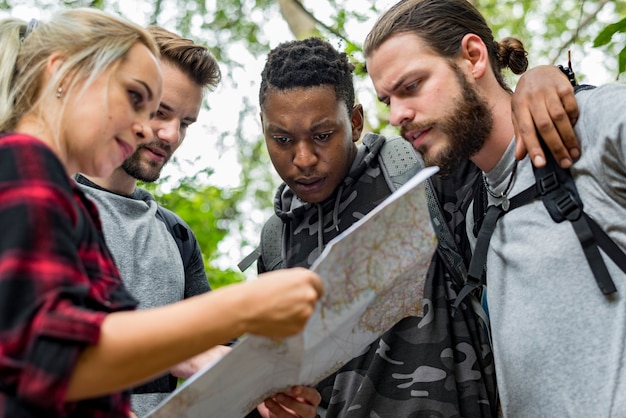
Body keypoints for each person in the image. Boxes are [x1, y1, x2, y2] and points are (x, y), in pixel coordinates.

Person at [0, 9, 323, 418]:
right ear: (62, 74)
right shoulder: (20, 165)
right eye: (139, 101)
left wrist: (256, 383)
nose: (151, 130)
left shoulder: (86, 211)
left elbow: (87, 365)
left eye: (184, 122)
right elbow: (53, 360)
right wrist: (243, 305)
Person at [248, 36, 578, 417]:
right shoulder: (276, 241)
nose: (303, 158)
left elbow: (509, 154)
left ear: (354, 122)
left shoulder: (419, 170)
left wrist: (542, 79)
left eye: (323, 136)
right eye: (282, 139)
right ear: (263, 127)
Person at [364, 0, 626, 416]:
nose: (398, 115)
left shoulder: (591, 124)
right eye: (387, 100)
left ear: (472, 57)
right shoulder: (474, 219)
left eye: (411, 86)